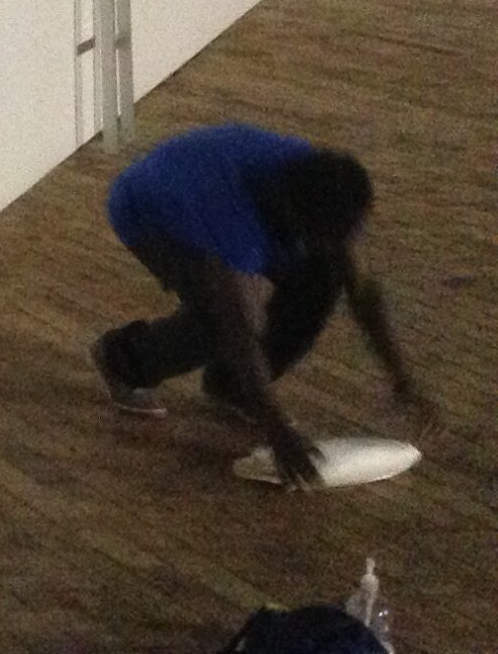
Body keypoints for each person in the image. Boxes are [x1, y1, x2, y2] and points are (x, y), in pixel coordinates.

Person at [89, 123, 439, 488]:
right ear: (295, 218)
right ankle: (121, 360)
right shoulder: (233, 221)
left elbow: (363, 291)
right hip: (149, 211)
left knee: (324, 273)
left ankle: (232, 387)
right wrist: (276, 429)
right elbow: (238, 328)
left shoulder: (330, 193)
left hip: (202, 177)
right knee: (217, 321)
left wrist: (403, 380)